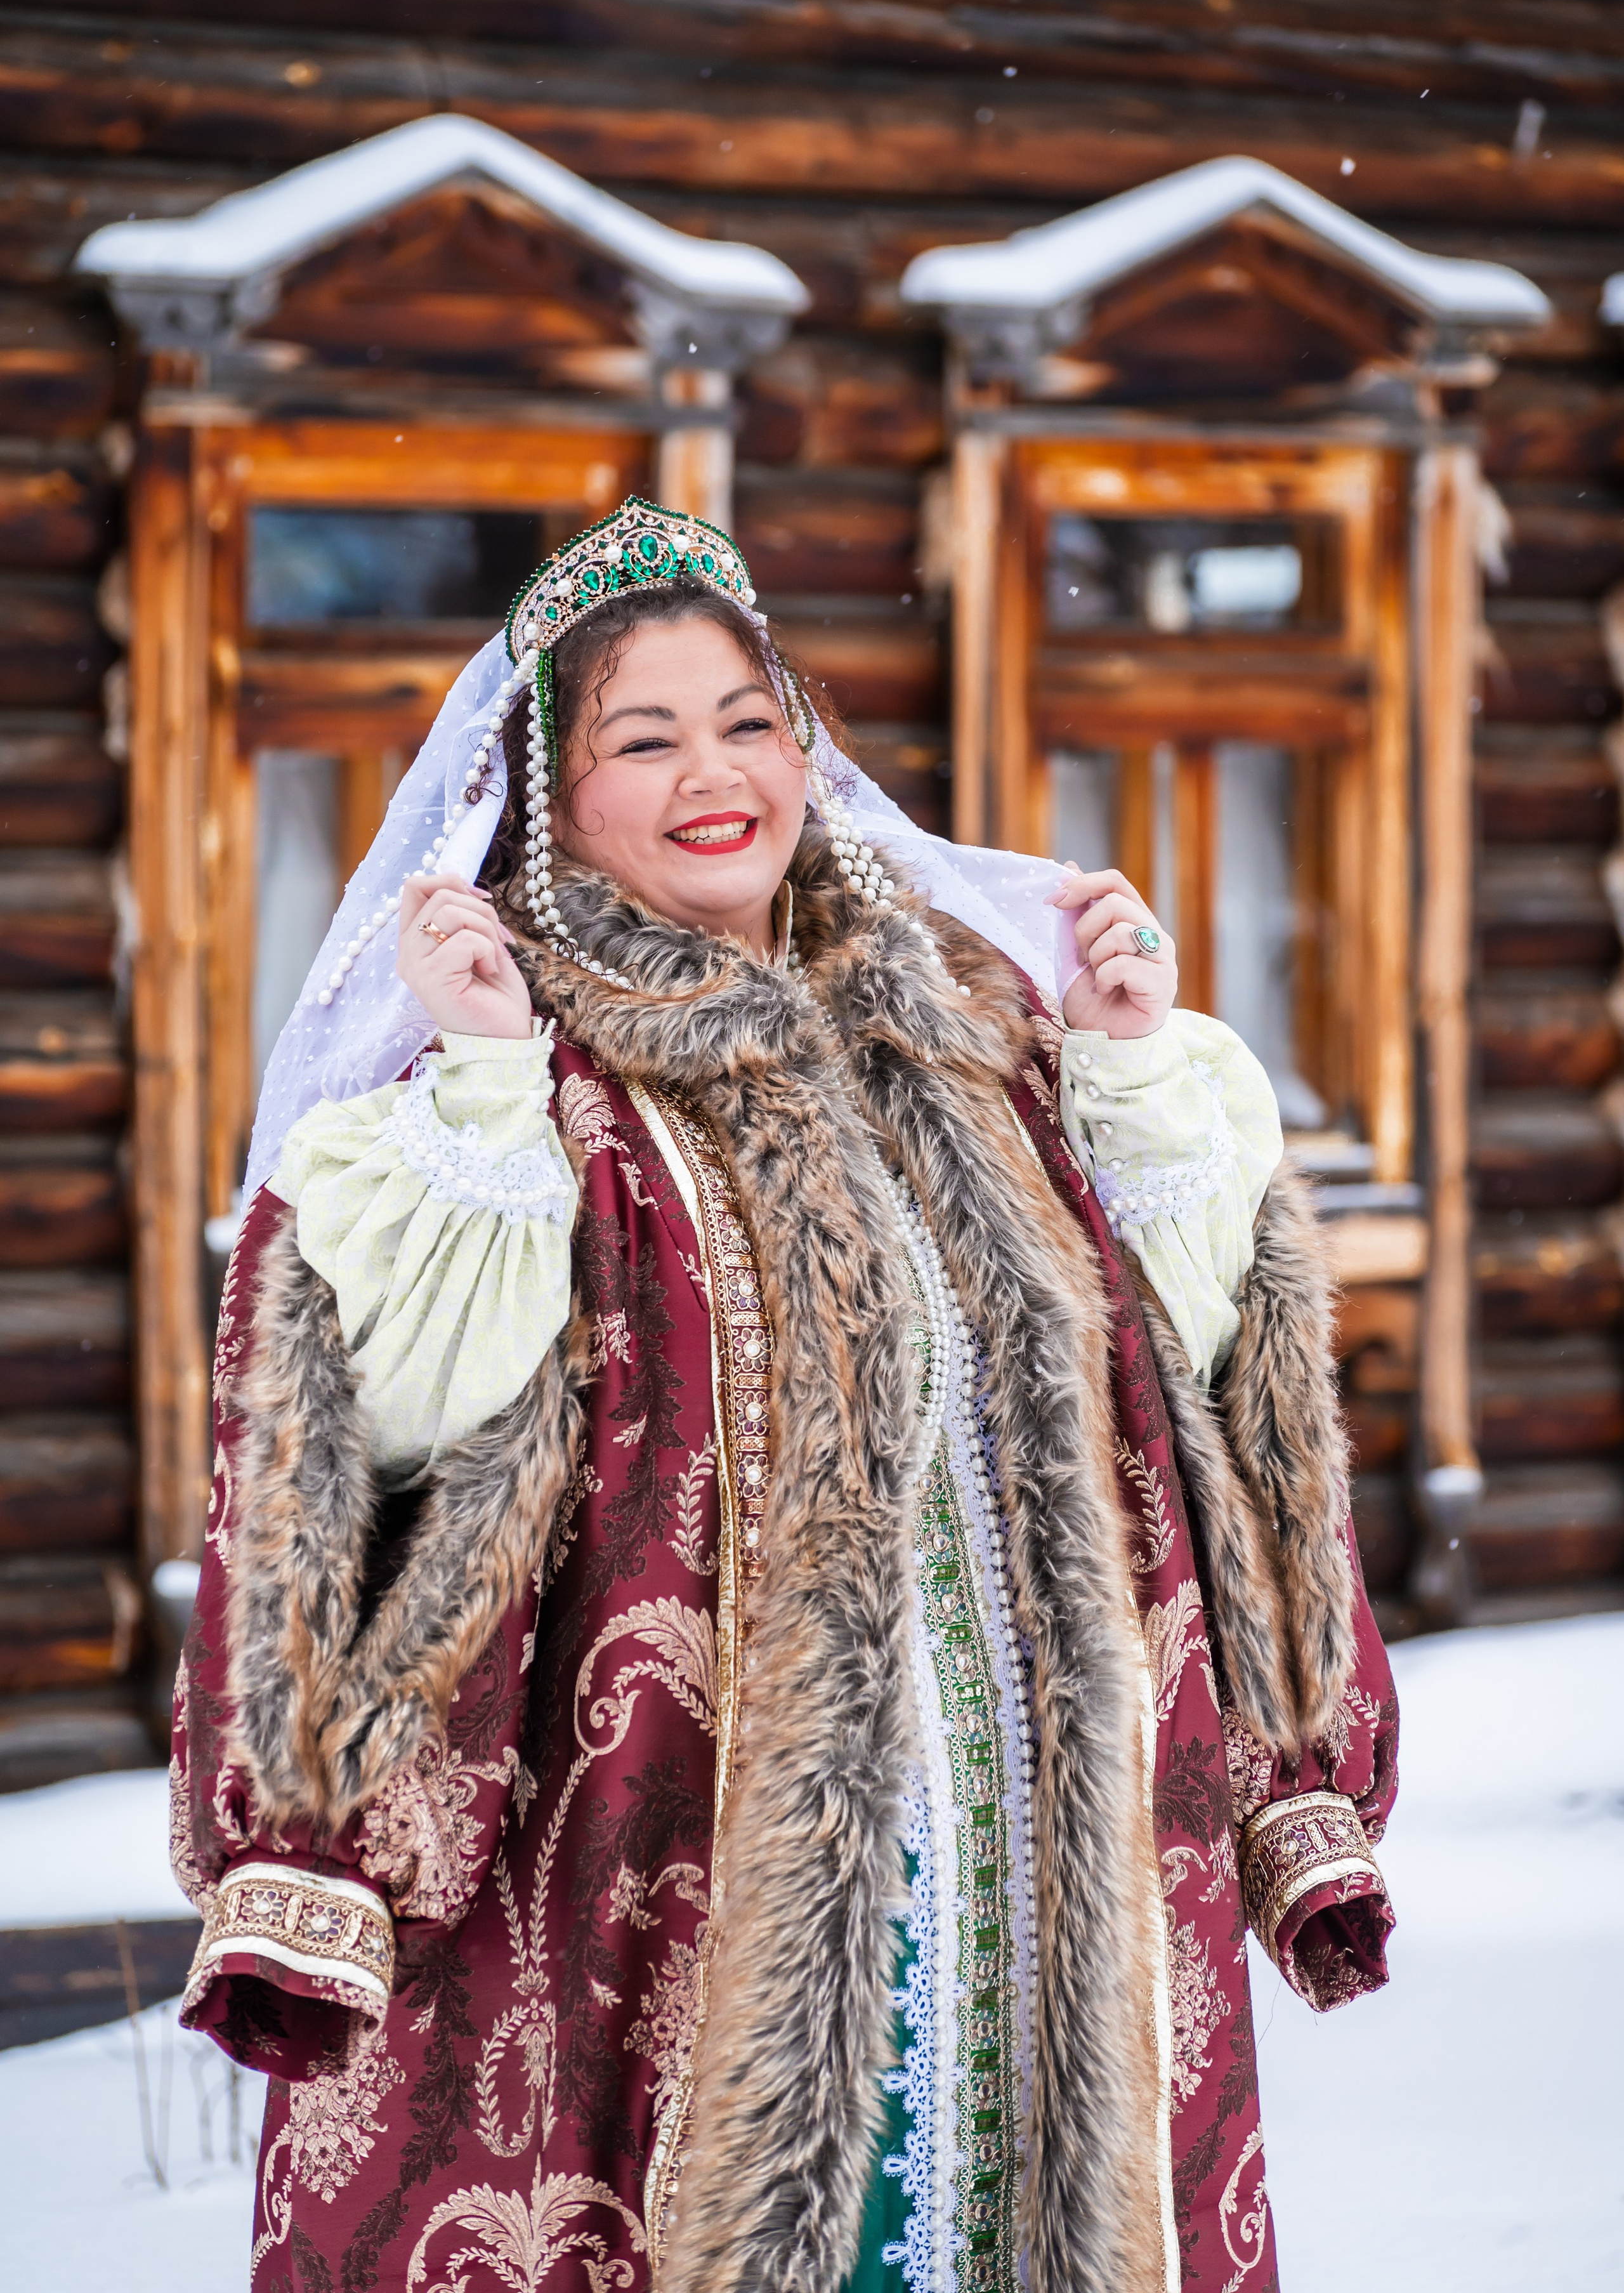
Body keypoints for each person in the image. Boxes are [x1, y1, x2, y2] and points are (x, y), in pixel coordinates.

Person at [171, 496, 1397, 2293]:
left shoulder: (979, 1041)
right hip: (671, 1905)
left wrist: (1134, 1070)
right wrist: (495, 1090)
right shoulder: (505, 1094)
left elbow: (1195, 1401)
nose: (712, 772)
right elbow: (384, 1460)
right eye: (642, 738)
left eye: (748, 721)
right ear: (550, 790)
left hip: (1025, 1886)